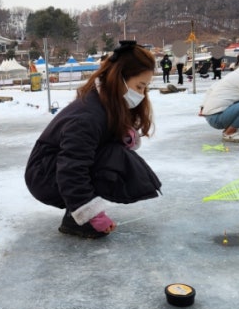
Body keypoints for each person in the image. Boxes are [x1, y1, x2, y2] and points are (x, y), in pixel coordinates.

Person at [24, 40, 162, 239]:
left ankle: (78, 208)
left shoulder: (105, 102)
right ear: (120, 79)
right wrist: (92, 215)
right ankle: (78, 215)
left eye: (145, 88)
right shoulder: (87, 117)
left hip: (54, 167)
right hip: (44, 175)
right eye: (139, 87)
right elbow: (72, 167)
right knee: (114, 161)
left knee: (117, 157)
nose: (141, 94)